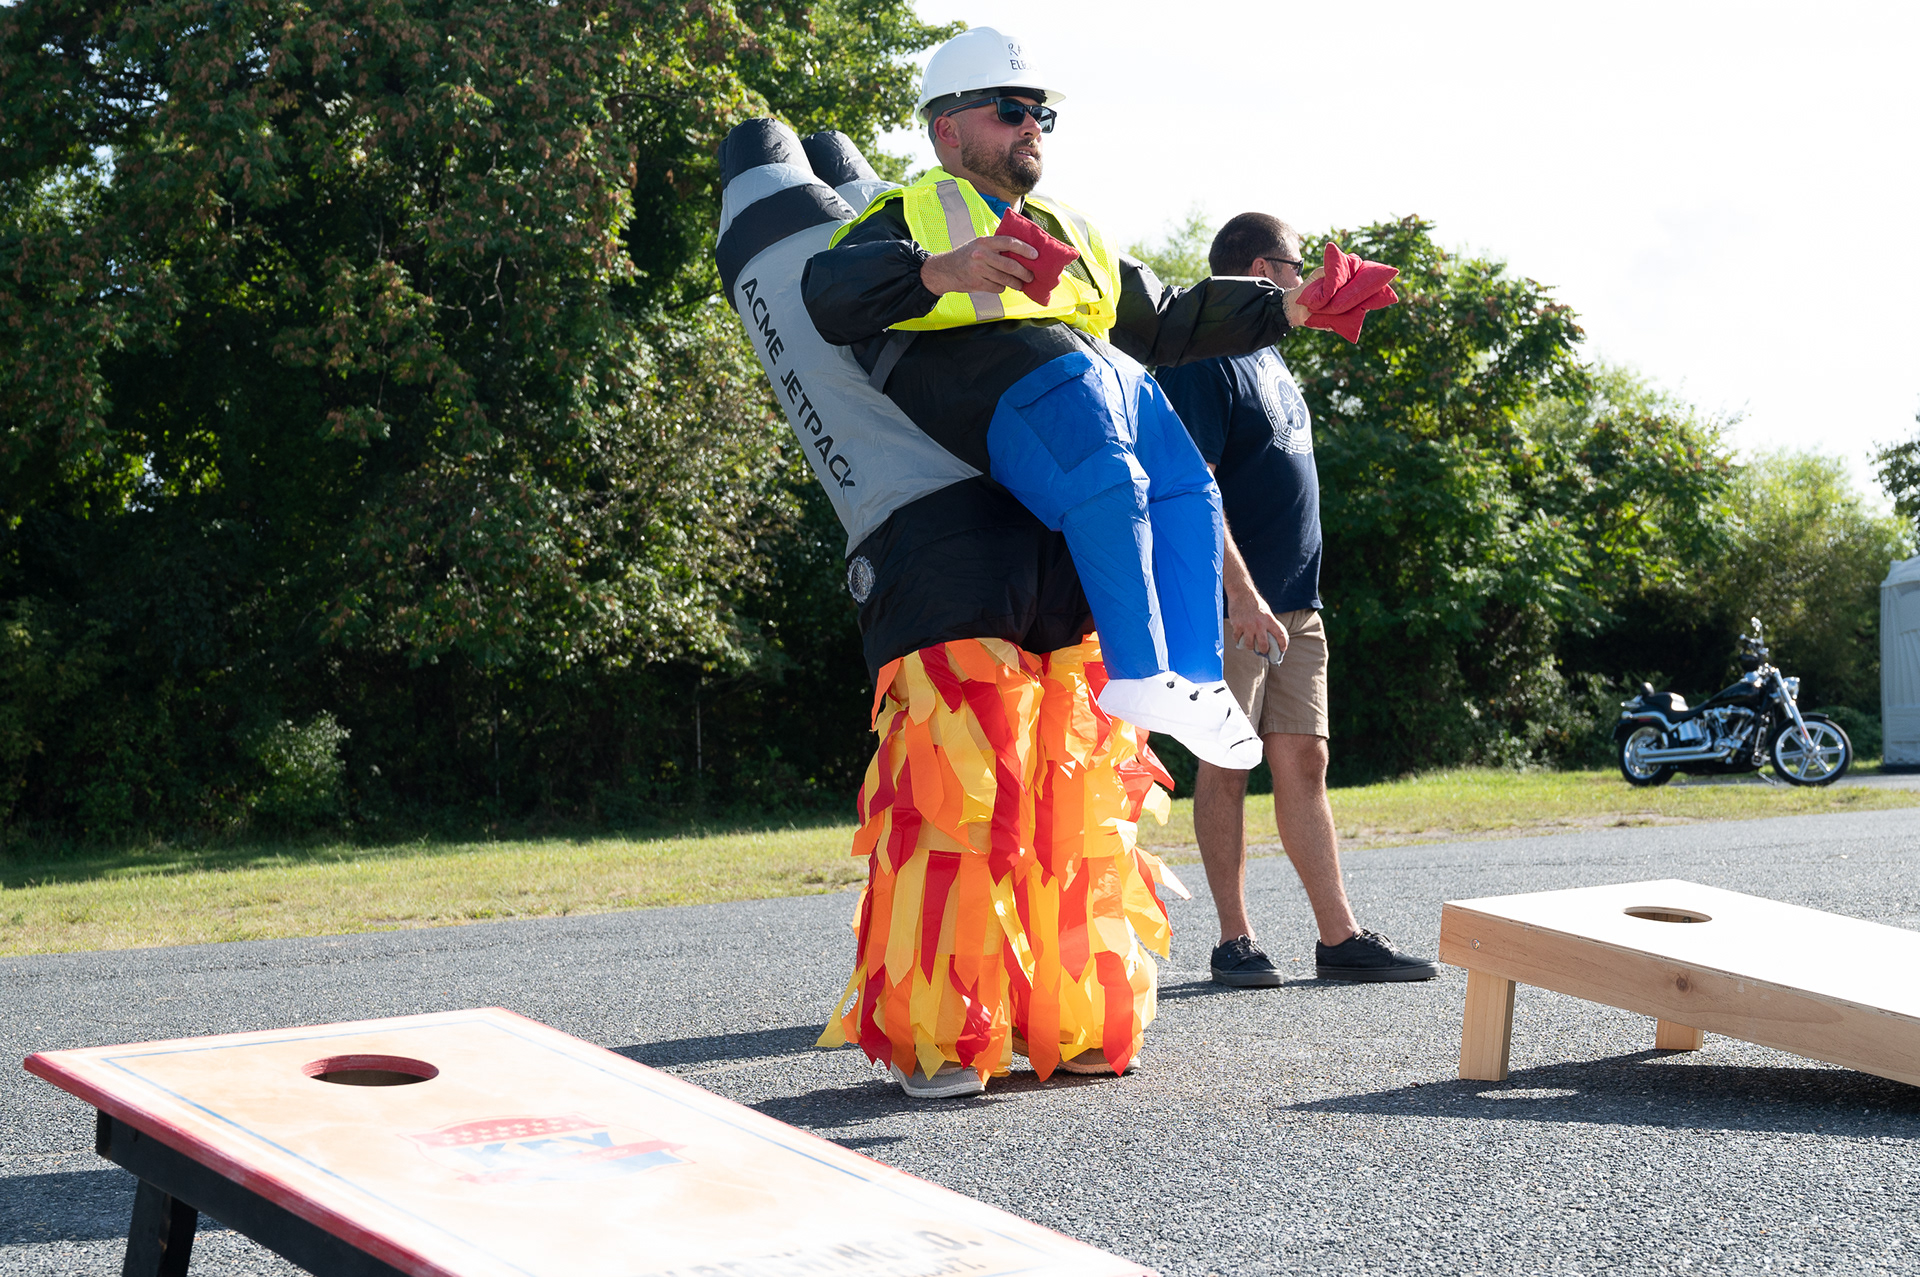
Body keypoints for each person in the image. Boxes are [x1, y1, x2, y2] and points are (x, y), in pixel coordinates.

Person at [795, 28, 1311, 1097]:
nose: (1033, 127)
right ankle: (944, 1035)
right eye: (1010, 108)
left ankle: (1077, 1007)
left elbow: (1169, 319)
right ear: (947, 128)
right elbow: (830, 291)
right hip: (980, 492)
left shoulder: (1075, 229)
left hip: (1089, 474)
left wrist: (1285, 307)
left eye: (1043, 112)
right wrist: (940, 270)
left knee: (1177, 509)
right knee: (962, 792)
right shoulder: (914, 211)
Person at [1154, 213, 1439, 987]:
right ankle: (1234, 939)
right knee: (1227, 761)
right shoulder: (1206, 353)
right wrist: (1239, 591)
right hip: (1233, 604)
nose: (1306, 276)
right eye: (1294, 264)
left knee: (1305, 760)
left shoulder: (1272, 355)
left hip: (1296, 604)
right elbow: (1190, 485)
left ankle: (1338, 936)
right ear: (1260, 269)